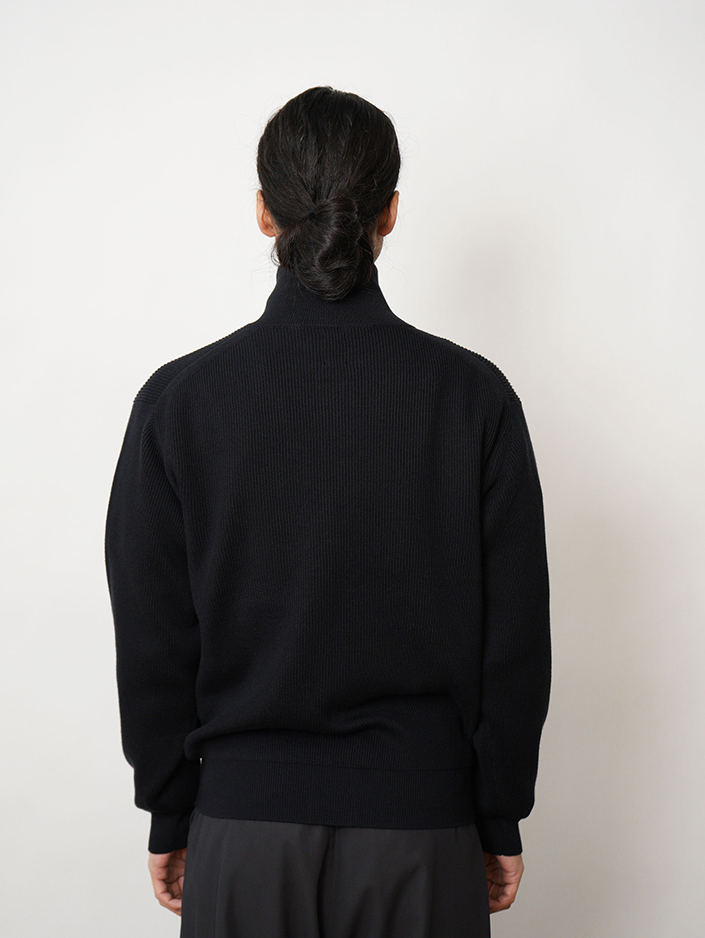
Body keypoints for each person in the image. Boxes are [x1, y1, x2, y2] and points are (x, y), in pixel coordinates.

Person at [104, 85, 551, 938]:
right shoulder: (473, 398)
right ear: (390, 214)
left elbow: (153, 638)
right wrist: (497, 813)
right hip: (423, 833)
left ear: (263, 213)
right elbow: (515, 640)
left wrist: (170, 808)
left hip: (242, 833)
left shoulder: (180, 402)